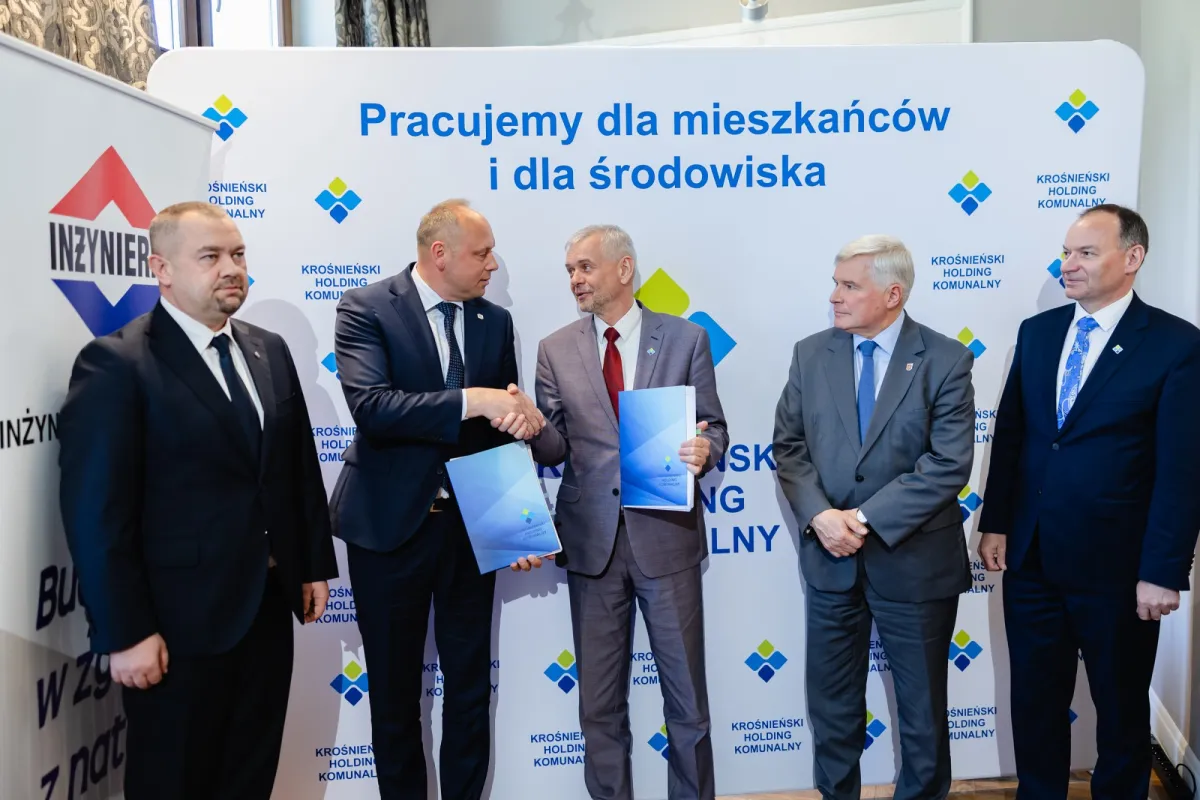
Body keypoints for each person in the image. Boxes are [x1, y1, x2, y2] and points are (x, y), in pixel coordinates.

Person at [56, 201, 338, 800]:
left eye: (237, 254)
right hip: (175, 627)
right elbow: (96, 514)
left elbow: (294, 467)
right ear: (161, 269)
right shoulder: (117, 363)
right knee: (174, 782)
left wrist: (311, 563)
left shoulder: (268, 349)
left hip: (266, 610)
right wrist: (125, 631)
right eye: (210, 257)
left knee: (250, 777)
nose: (230, 268)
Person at [978, 204, 1200, 800]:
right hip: (1032, 561)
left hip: (1119, 571)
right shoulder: (1039, 332)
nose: (1068, 265)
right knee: (1034, 701)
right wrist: (996, 522)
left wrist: (1162, 571)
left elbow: (1182, 470)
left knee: (1121, 709)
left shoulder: (1176, 344)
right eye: (1066, 252)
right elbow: (1014, 435)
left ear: (1132, 258)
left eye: (1085, 253)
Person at [329, 199, 546, 800]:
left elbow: (497, 436)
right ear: (440, 253)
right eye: (482, 253)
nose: (493, 264)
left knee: (470, 689)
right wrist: (475, 400)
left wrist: (515, 526)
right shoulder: (367, 307)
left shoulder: (494, 322)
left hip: (469, 532)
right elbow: (373, 408)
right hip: (388, 530)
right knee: (394, 695)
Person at [526, 224, 728, 800]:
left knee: (687, 702)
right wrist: (533, 427)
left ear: (623, 268)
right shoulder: (554, 348)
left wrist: (705, 447)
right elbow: (555, 449)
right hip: (591, 546)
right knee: (599, 705)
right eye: (570, 270)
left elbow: (715, 425)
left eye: (585, 267)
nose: (575, 279)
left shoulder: (686, 338)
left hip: (666, 540)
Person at [772, 235, 975, 800]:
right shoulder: (811, 354)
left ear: (892, 294)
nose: (834, 297)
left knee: (922, 711)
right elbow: (789, 447)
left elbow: (948, 464)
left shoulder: (946, 359)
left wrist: (859, 519)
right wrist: (820, 516)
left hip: (915, 563)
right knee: (832, 706)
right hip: (830, 561)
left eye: (849, 286)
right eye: (835, 283)